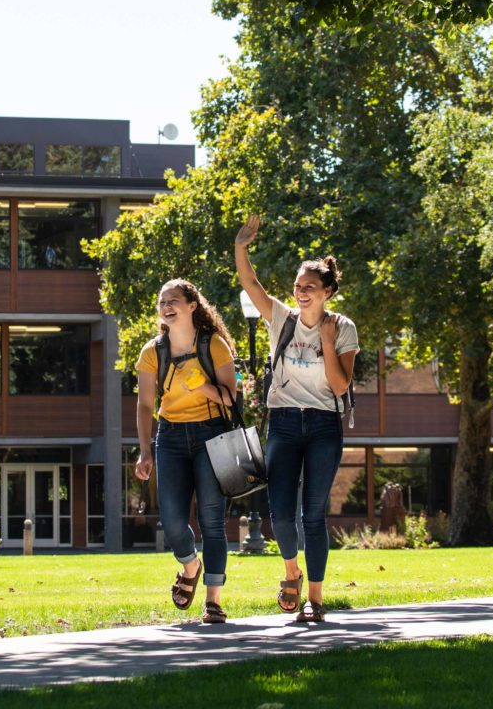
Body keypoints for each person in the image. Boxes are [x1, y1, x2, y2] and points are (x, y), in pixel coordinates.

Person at [235, 213, 360, 624]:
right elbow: (251, 284)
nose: (301, 292)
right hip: (285, 423)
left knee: (313, 514)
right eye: (297, 287)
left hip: (324, 425)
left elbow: (341, 387)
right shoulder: (280, 319)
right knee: (280, 513)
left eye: (309, 287)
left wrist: (326, 342)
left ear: (327, 291)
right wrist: (241, 247)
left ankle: (316, 599)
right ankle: (292, 572)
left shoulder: (342, 329)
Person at [133, 278, 239, 624]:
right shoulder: (153, 352)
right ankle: (190, 564)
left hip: (212, 436)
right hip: (172, 438)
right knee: (174, 520)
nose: (166, 306)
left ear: (192, 305)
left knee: (212, 521)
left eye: (173, 300)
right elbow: (145, 403)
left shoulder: (215, 346)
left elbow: (230, 399)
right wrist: (145, 451)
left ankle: (213, 600)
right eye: (162, 301)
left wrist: (203, 386)